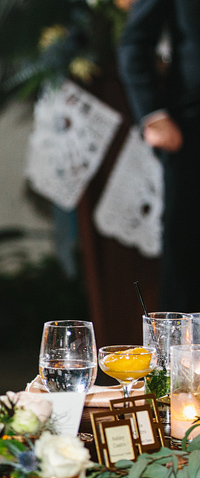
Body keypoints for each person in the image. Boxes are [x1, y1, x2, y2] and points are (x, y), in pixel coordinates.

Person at [119, 0, 200, 311]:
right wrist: (152, 114)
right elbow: (134, 42)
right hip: (192, 132)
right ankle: (176, 359)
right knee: (187, 259)